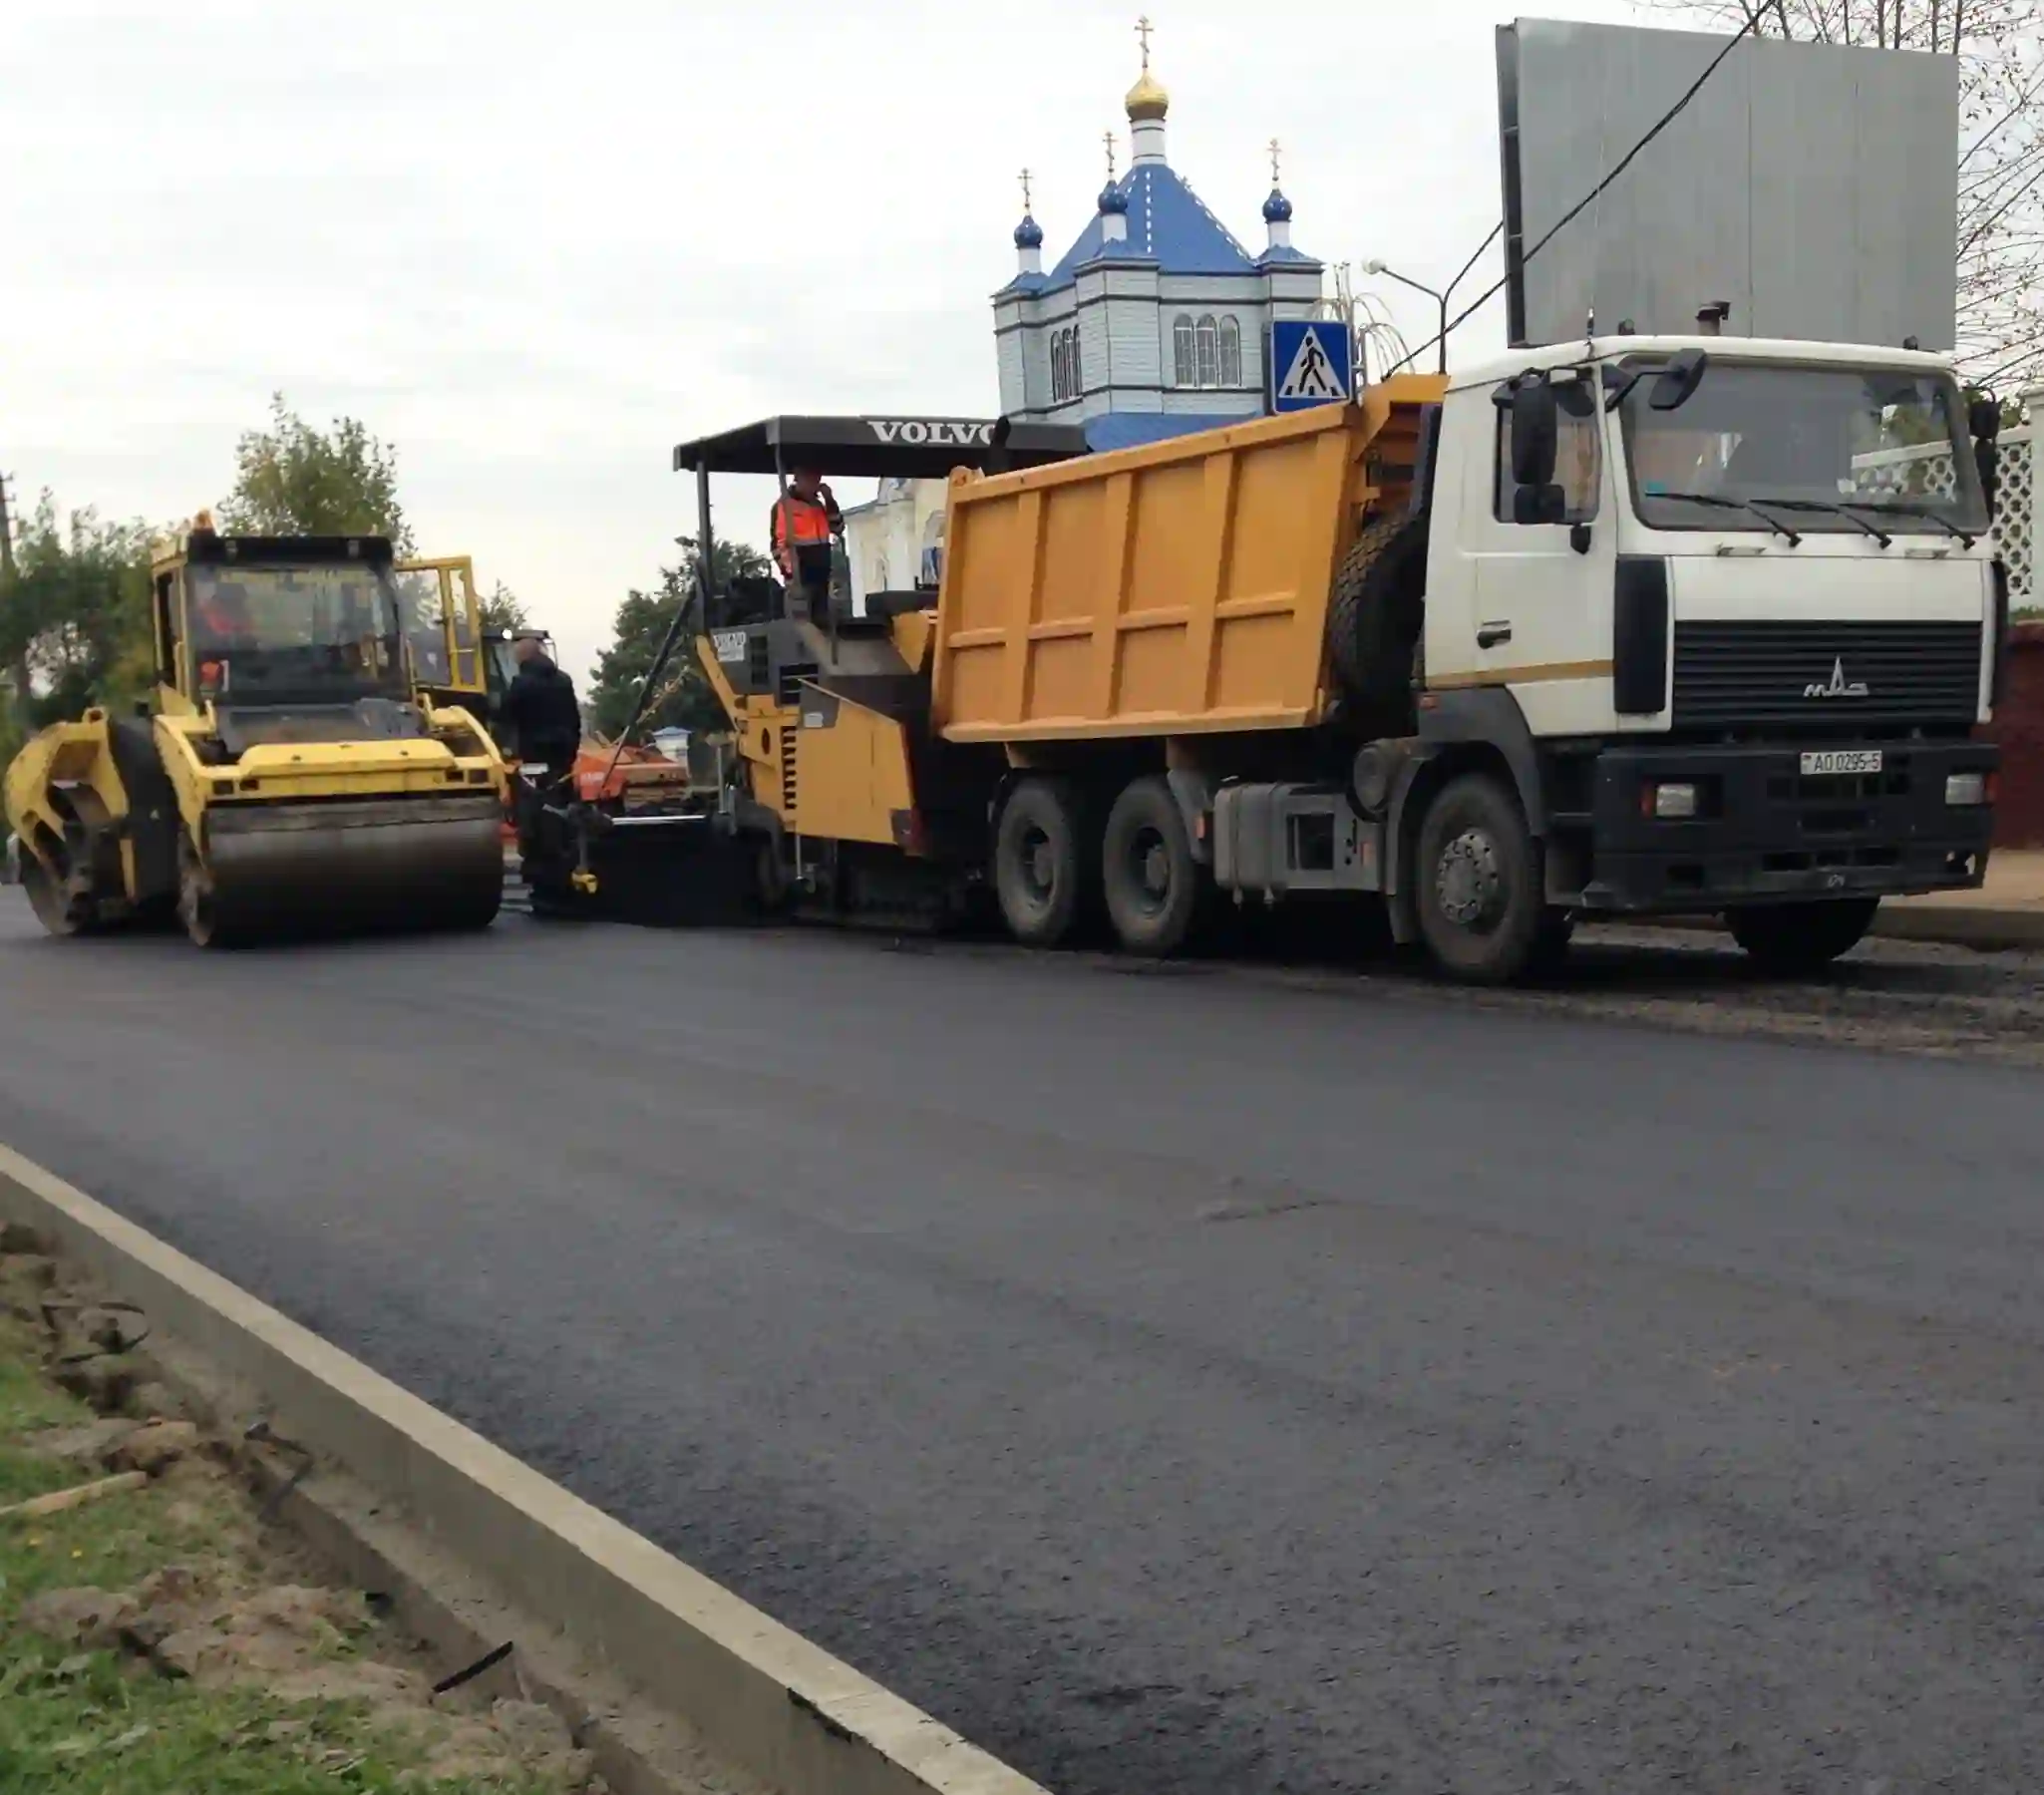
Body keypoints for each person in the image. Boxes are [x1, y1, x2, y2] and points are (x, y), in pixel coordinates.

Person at [770, 465, 844, 619]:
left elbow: (837, 527)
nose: (814, 484)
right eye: (810, 480)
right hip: (801, 578)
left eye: (817, 480)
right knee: (803, 624)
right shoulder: (784, 506)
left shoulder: (818, 506)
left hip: (823, 575)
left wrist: (829, 499)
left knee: (825, 623)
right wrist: (791, 575)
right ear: (798, 479)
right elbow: (779, 545)